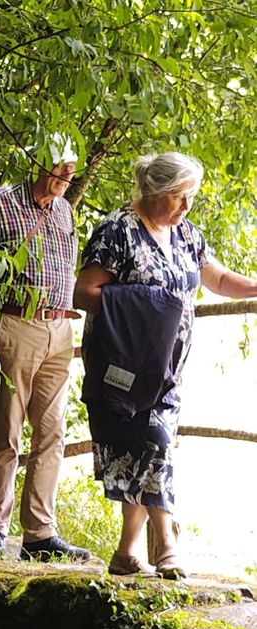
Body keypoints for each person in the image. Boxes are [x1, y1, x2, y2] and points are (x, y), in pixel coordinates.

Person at [74, 152, 257, 578]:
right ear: (154, 192)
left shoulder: (186, 234)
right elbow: (84, 292)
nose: (187, 207)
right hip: (122, 364)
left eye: (190, 197)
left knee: (147, 444)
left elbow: (219, 280)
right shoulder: (117, 231)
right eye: (179, 197)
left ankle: (126, 551)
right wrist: (147, 305)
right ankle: (168, 544)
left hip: (167, 370)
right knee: (152, 439)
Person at [0, 134, 91, 561]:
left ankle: (39, 532)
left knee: (51, 433)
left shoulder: (66, 211)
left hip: (59, 330)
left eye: (71, 170)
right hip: (15, 323)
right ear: (39, 162)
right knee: (7, 433)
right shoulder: (0, 203)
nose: (66, 177)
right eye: (60, 167)